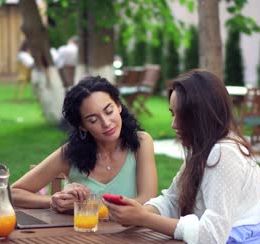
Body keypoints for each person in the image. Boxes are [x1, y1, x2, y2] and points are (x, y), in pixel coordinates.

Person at [105, 69, 260, 244]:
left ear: (203, 114)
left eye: (182, 116)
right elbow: (172, 199)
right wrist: (136, 212)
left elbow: (213, 235)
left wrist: (143, 219)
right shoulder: (202, 149)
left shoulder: (224, 154)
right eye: (172, 114)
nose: (173, 124)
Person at [11, 75, 158, 212]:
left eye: (108, 111)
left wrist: (87, 205)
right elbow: (13, 193)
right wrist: (53, 201)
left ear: (118, 106)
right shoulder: (70, 154)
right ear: (82, 126)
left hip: (130, 238)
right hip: (79, 237)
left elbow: (146, 201)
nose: (106, 123)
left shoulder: (141, 143)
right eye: (93, 120)